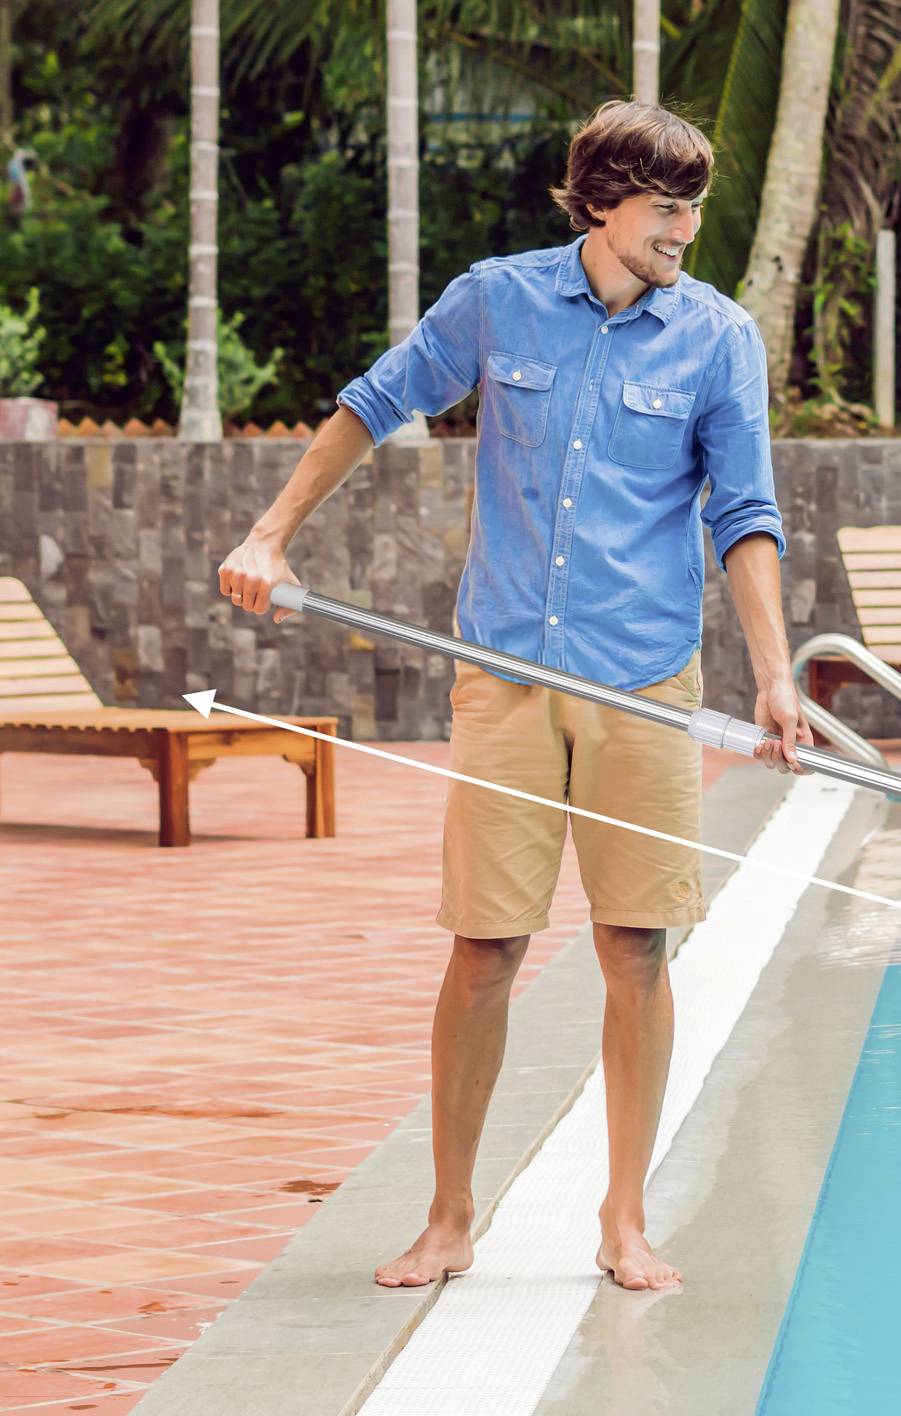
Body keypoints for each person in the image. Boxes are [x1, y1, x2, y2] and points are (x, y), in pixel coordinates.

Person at [217, 101, 813, 1293]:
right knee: (485, 946)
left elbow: (743, 514)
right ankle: (448, 1218)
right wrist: (270, 533)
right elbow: (372, 404)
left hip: (644, 681)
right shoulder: (498, 298)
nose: (685, 229)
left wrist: (775, 673)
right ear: (600, 202)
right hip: (503, 672)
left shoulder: (717, 337)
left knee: (635, 945)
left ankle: (625, 1219)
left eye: (694, 204)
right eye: (666, 207)